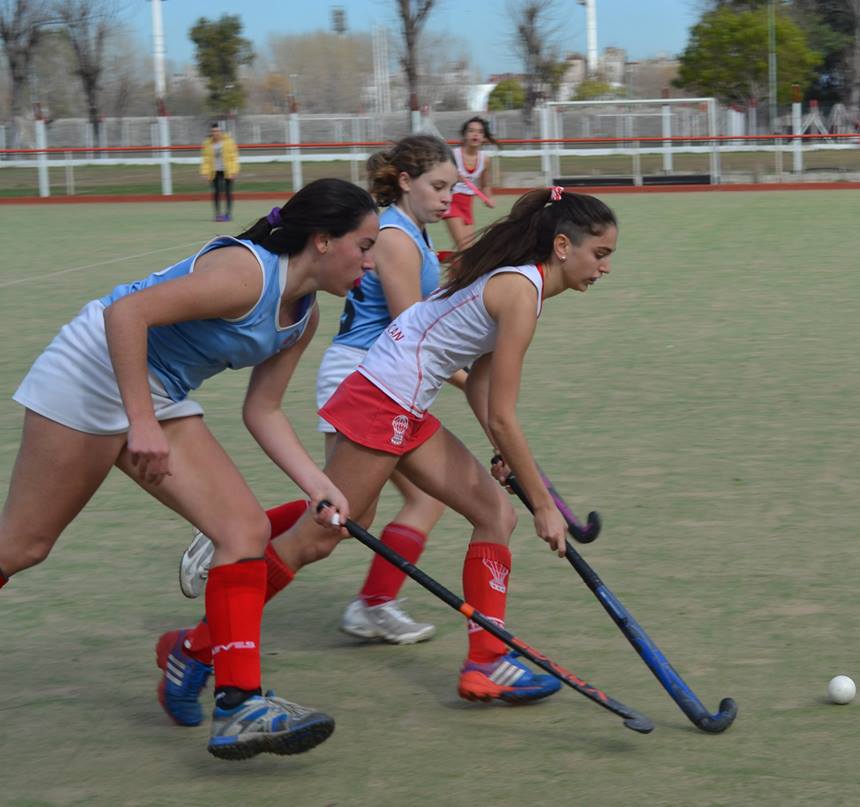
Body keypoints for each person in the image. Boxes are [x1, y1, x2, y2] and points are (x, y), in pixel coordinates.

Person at [162, 185, 618, 719]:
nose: (605, 268)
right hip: (382, 399)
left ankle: (488, 662)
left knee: (494, 513)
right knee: (315, 541)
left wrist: (505, 456)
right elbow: (501, 412)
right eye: (600, 254)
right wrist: (543, 503)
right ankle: (191, 650)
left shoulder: (522, 286)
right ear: (563, 245)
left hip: (401, 402)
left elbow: (479, 388)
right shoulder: (521, 292)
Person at [0, 178, 378, 760]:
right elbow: (126, 314)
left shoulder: (301, 319)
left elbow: (264, 410)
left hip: (158, 391)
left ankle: (238, 706)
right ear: (324, 241)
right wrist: (141, 421)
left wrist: (319, 487)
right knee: (22, 548)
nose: (371, 264)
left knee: (243, 532)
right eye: (365, 246)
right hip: (93, 370)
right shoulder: (247, 275)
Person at [178, 134, 461, 646]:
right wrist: (467, 376)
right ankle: (222, 610)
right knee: (341, 521)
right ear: (404, 182)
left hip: (389, 378)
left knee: (380, 508)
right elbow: (408, 326)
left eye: (453, 188)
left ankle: (366, 600)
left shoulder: (410, 234)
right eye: (438, 186)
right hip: (366, 374)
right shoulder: (393, 237)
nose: (447, 197)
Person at [442, 116, 499, 249]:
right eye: (471, 131)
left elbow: (485, 185)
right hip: (452, 202)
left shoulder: (484, 159)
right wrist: (453, 176)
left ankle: (454, 270)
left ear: (484, 137)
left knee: (469, 251)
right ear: (465, 135)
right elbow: (440, 179)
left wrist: (488, 198)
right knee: (463, 247)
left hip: (468, 205)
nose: (475, 134)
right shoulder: (452, 155)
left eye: (480, 132)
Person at [201, 122, 240, 223]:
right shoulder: (207, 143)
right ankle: (218, 214)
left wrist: (234, 171)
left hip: (227, 171)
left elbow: (234, 158)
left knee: (228, 193)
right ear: (211, 132)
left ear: (221, 132)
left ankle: (228, 214)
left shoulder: (229, 142)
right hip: (214, 171)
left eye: (217, 131)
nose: (216, 133)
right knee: (216, 193)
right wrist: (205, 172)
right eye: (213, 131)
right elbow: (206, 159)